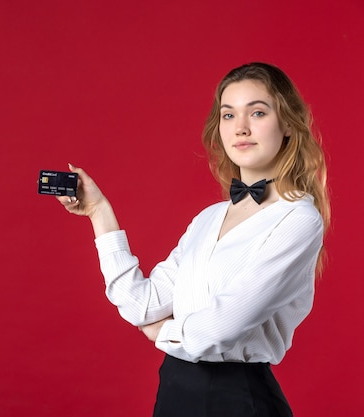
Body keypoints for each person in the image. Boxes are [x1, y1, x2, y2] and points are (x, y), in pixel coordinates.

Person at [57, 62, 330, 417]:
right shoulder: (209, 218)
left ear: (288, 125)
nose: (241, 128)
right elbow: (142, 303)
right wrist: (98, 212)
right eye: (228, 115)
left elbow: (221, 327)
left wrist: (162, 334)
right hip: (173, 392)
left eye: (258, 112)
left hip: (237, 400)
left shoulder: (298, 220)